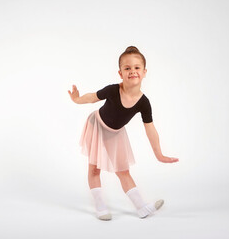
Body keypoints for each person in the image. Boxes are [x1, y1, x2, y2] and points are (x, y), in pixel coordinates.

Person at [68, 46, 179, 221]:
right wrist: (77, 99)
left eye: (137, 68)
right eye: (127, 68)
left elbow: (150, 129)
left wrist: (159, 154)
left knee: (123, 171)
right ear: (120, 73)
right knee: (94, 168)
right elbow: (92, 97)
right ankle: (100, 207)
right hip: (96, 125)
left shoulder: (144, 103)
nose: (132, 71)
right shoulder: (113, 90)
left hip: (116, 133)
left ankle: (141, 207)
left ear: (144, 72)